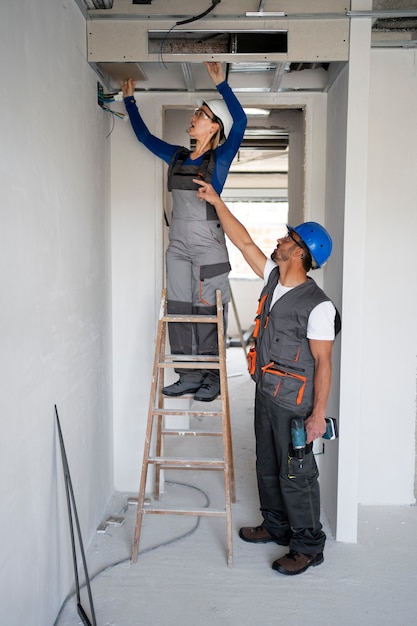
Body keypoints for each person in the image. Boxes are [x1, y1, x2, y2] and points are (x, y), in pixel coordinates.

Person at [193, 178, 340, 576]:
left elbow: (324, 364)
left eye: (288, 239)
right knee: (266, 464)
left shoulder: (319, 306)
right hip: (266, 392)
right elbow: (243, 243)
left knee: (297, 472)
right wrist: (216, 201)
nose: (280, 240)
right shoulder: (273, 279)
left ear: (301, 252)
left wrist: (316, 416)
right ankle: (276, 526)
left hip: (296, 403)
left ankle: (308, 546)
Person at [122, 62, 247, 402]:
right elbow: (144, 138)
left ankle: (212, 376)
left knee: (207, 311)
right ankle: (188, 374)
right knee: (179, 308)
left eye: (201, 114)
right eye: (194, 113)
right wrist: (129, 100)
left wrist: (222, 86)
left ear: (214, 126)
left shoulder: (220, 159)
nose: (193, 117)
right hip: (177, 247)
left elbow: (243, 124)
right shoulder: (176, 157)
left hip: (209, 249)